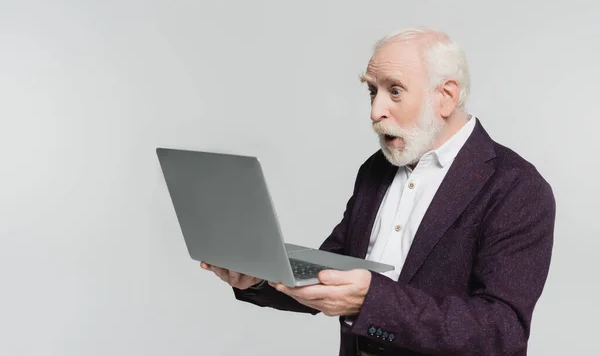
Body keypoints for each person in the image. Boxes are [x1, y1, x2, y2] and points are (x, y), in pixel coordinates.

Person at [200, 27, 556, 356]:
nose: (375, 111)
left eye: (394, 91)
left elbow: (501, 333)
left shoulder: (516, 187)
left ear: (445, 96)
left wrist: (370, 300)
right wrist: (259, 277)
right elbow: (331, 272)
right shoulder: (375, 170)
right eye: (372, 90)